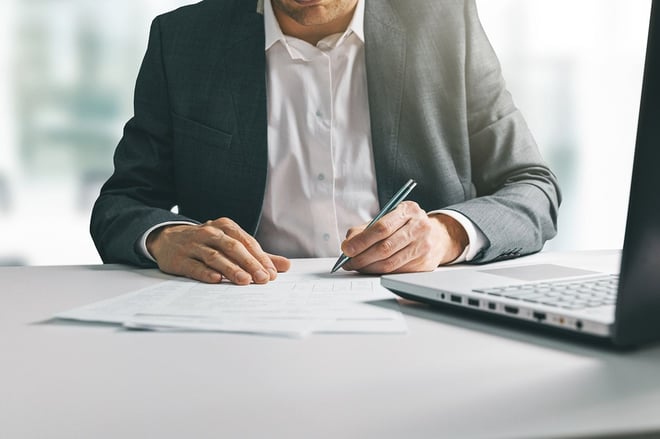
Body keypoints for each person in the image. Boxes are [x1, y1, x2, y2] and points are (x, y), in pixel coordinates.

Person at [91, 0, 561, 285]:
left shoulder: (445, 25)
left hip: (419, 316)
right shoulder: (184, 39)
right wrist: (166, 238)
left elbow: (533, 189)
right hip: (237, 315)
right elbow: (122, 204)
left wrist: (445, 234)